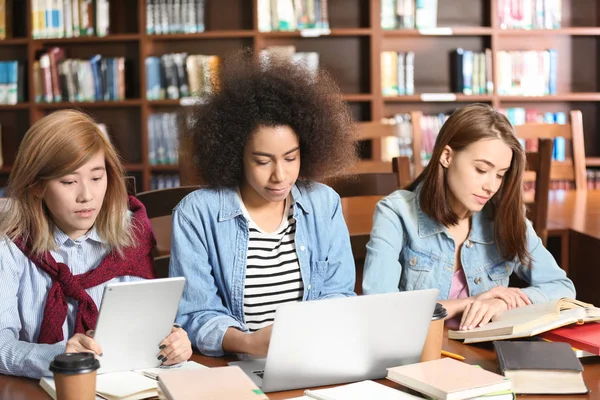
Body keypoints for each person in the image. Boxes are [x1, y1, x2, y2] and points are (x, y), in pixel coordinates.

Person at [169, 50, 358, 357]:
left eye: (291, 158)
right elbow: (196, 314)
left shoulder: (325, 204)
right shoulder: (196, 214)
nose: (280, 176)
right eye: (262, 161)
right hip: (236, 365)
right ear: (234, 155)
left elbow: (339, 293)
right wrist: (247, 343)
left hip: (311, 360)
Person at [0, 110, 192, 379]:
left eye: (96, 177)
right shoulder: (10, 244)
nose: (86, 196)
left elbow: (145, 327)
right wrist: (56, 357)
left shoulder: (131, 234)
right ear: (37, 186)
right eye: (68, 181)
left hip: (122, 385)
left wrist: (172, 344)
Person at [362, 103, 575, 330]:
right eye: (481, 170)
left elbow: (562, 287)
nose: (490, 186)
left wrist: (502, 303)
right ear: (446, 156)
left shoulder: (505, 216)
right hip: (421, 357)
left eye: (500, 175)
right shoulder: (396, 214)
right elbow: (380, 309)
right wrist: (468, 304)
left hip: (486, 357)